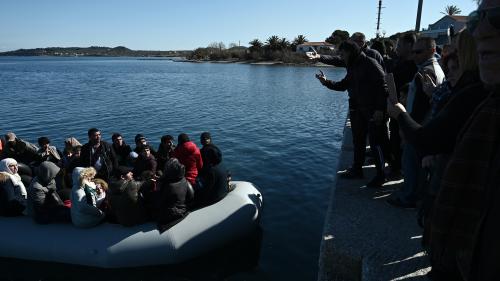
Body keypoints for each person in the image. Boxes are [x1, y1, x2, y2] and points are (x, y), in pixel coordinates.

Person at [426, 1, 500, 279]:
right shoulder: (489, 109)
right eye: (475, 19)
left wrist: (398, 114)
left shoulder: (476, 100)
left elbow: (429, 138)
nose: (480, 31)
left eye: (496, 18)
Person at [315, 40, 389, 187]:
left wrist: (380, 109)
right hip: (359, 109)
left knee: (376, 143)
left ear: (350, 52)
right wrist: (326, 82)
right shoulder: (353, 66)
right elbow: (343, 85)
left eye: (342, 54)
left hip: (373, 111)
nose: (340, 57)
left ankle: (381, 175)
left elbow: (384, 85)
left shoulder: (370, 63)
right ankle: (357, 169)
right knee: (358, 140)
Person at [393, 37, 445, 207]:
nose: (414, 55)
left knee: (411, 163)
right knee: (417, 166)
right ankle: (414, 194)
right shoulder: (437, 68)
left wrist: (406, 127)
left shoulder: (425, 72)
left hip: (419, 128)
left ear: (431, 50)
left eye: (418, 52)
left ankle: (408, 198)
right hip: (428, 127)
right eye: (413, 51)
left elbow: (420, 107)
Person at [385, 32, 418, 178]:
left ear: (409, 45)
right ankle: (395, 165)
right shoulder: (399, 62)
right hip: (396, 107)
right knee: (395, 139)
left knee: (403, 140)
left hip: (407, 110)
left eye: (399, 45)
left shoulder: (415, 66)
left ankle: (399, 170)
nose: (397, 48)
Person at [155, 158, 193, 232]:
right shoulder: (183, 179)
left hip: (172, 214)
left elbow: (159, 202)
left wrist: (157, 188)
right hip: (184, 208)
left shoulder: (169, 186)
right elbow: (191, 194)